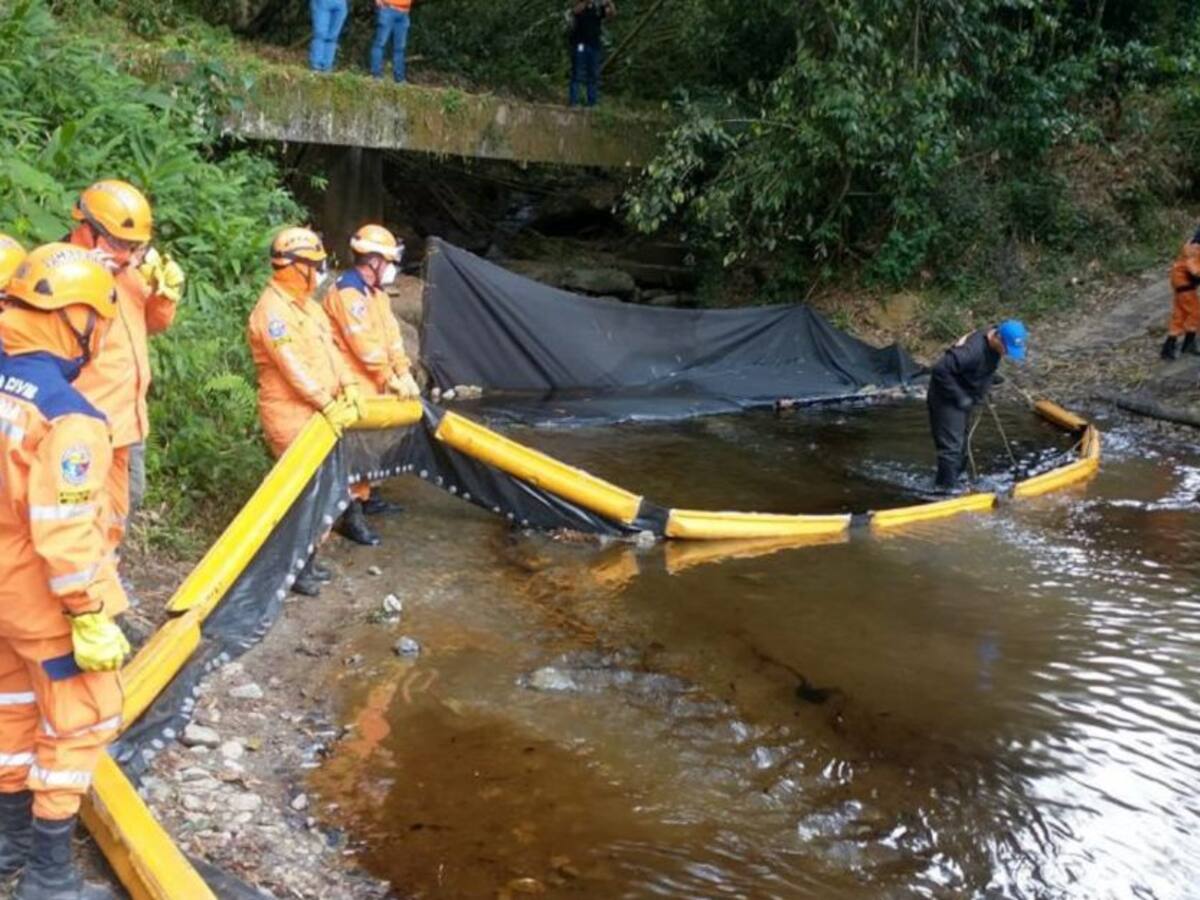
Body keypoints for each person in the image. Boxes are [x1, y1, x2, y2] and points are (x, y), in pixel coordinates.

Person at [0, 243, 131, 900]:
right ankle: (48, 878)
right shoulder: (68, 416)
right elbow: (63, 527)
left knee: (11, 711)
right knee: (80, 721)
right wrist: (87, 612)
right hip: (42, 601)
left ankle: (6, 846)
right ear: (74, 317)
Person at [68, 181, 183, 577]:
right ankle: (88, 602)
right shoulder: (61, 279)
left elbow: (149, 325)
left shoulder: (129, 271)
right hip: (85, 422)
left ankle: (109, 586)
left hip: (128, 417)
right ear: (88, 230)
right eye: (121, 244)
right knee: (82, 518)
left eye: (136, 247)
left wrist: (164, 294)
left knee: (123, 507)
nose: (129, 255)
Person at [248, 227, 370, 596]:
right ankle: (294, 569)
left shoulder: (310, 308)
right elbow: (291, 367)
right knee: (304, 496)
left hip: (319, 412)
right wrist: (326, 402)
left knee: (323, 494)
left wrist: (349, 385)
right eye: (314, 265)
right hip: (290, 414)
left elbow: (333, 355)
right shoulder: (272, 312)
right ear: (294, 267)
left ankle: (309, 562)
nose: (319, 271)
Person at [323, 224, 420, 518]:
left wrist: (403, 372)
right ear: (375, 261)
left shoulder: (375, 294)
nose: (392, 267)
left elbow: (391, 338)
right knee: (356, 452)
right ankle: (351, 514)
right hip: (353, 383)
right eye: (389, 261)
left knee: (374, 447)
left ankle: (369, 498)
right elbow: (365, 347)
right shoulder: (348, 294)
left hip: (375, 383)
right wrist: (390, 378)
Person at [927, 320, 1028, 492]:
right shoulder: (971, 352)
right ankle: (943, 492)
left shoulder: (995, 336)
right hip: (946, 399)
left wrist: (985, 383)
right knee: (951, 449)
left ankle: (957, 480)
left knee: (963, 445)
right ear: (997, 338)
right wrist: (960, 397)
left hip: (965, 393)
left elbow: (984, 364)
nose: (1007, 354)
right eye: (1007, 349)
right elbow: (939, 370)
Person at [1160, 227, 1200, 360]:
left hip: (1180, 283)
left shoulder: (1192, 246)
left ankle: (1169, 346)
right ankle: (1188, 344)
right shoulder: (1194, 250)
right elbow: (1195, 271)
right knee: (1195, 313)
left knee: (1180, 315)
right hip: (1185, 285)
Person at [568, 0, 615, 108]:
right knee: (577, 73)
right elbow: (575, 11)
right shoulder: (580, 4)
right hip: (580, 43)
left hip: (594, 45)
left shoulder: (597, 7)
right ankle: (574, 102)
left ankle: (592, 103)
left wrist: (609, 3)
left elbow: (611, 16)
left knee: (593, 75)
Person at [370, 0, 413, 83]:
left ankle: (399, 78)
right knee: (380, 43)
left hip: (404, 13)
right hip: (388, 10)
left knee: (400, 48)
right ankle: (376, 75)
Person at [310, 0, 349, 73]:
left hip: (340, 4)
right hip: (322, 3)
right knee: (320, 34)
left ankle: (327, 68)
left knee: (333, 37)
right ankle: (316, 67)